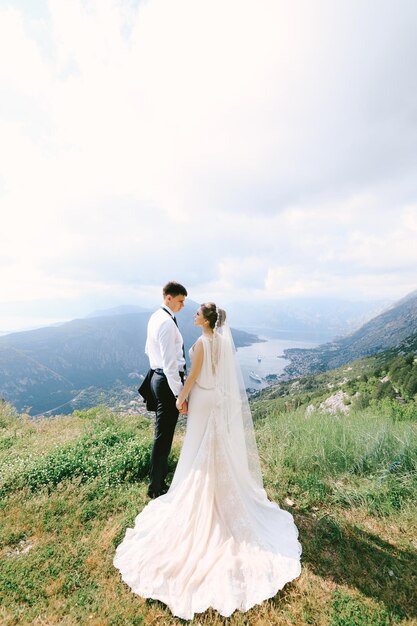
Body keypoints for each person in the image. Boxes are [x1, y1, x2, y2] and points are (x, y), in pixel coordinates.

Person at [114, 303, 302, 620]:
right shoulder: (222, 341)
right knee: (215, 446)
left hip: (201, 398)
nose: (194, 316)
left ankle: (202, 491)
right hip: (216, 398)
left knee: (199, 447)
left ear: (206, 319)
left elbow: (194, 375)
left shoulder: (201, 343)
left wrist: (180, 397)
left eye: (198, 313)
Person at [144, 281, 188, 498]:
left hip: (156, 376)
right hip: (166, 380)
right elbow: (171, 365)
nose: (182, 305)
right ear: (168, 298)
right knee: (163, 436)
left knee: (162, 434)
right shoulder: (167, 323)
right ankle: (156, 487)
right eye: (180, 301)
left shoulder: (155, 317)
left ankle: (158, 476)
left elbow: (147, 348)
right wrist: (180, 395)